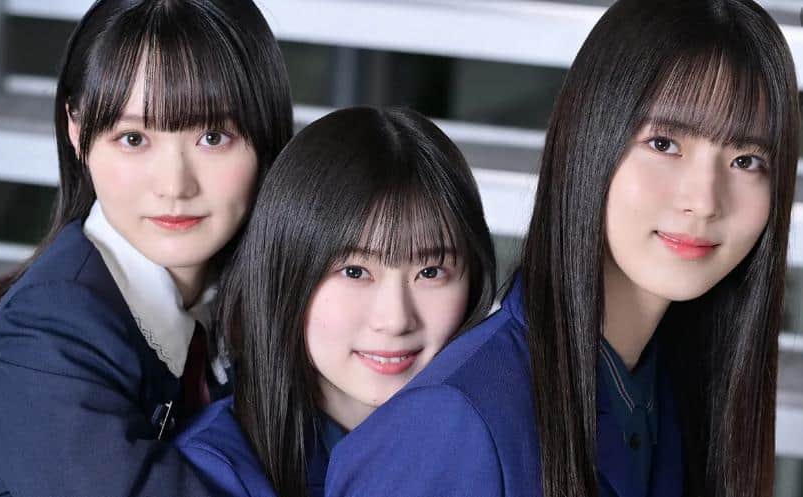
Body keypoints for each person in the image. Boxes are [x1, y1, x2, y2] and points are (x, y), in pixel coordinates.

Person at [324, 1, 800, 497]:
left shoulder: (678, 391)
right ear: (590, 140)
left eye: (746, 160)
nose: (703, 201)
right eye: (663, 144)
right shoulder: (453, 425)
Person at [0, 1, 292, 495]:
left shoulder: (237, 306)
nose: (174, 185)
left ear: (266, 135)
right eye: (133, 138)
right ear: (76, 132)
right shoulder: (49, 340)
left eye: (213, 136)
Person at [174, 106, 497, 497]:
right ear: (286, 276)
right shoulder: (212, 471)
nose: (395, 319)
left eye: (430, 272)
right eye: (355, 272)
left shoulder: (500, 443)